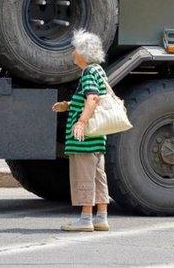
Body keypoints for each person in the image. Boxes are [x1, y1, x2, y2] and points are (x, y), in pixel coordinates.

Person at [52, 30, 110, 232]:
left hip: (84, 138)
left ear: (83, 53)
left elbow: (92, 98)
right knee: (97, 176)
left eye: (75, 49)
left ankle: (86, 219)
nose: (73, 53)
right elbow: (93, 97)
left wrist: (80, 122)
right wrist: (68, 105)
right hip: (97, 136)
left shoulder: (87, 73)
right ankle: (101, 217)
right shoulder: (99, 71)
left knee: (84, 176)